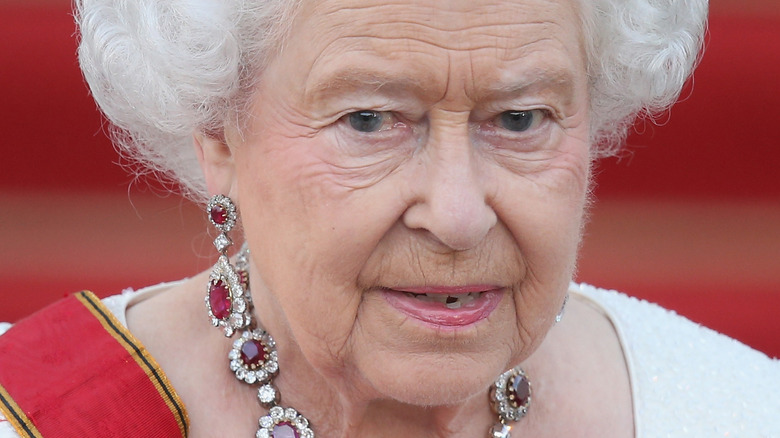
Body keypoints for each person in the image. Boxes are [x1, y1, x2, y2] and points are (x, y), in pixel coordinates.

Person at [0, 0, 777, 437]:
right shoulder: (35, 418)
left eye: (519, 119)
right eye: (370, 120)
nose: (458, 214)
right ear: (218, 131)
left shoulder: (733, 413)